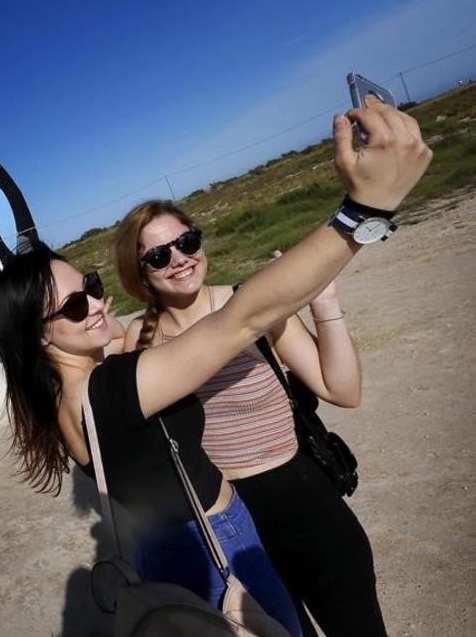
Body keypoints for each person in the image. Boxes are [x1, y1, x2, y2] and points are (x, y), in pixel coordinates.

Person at [0, 97, 429, 634]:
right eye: (77, 305)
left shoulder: (67, 396)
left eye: (94, 288)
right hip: (219, 543)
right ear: (39, 334)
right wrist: (362, 212)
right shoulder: (108, 388)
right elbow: (240, 320)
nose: (100, 305)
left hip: (194, 543)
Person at [114, 197, 381, 636]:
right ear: (140, 272)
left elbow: (343, 390)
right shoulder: (140, 343)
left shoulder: (251, 303)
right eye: (160, 255)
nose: (180, 259)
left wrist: (324, 300)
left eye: (187, 241)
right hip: (231, 527)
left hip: (306, 504)